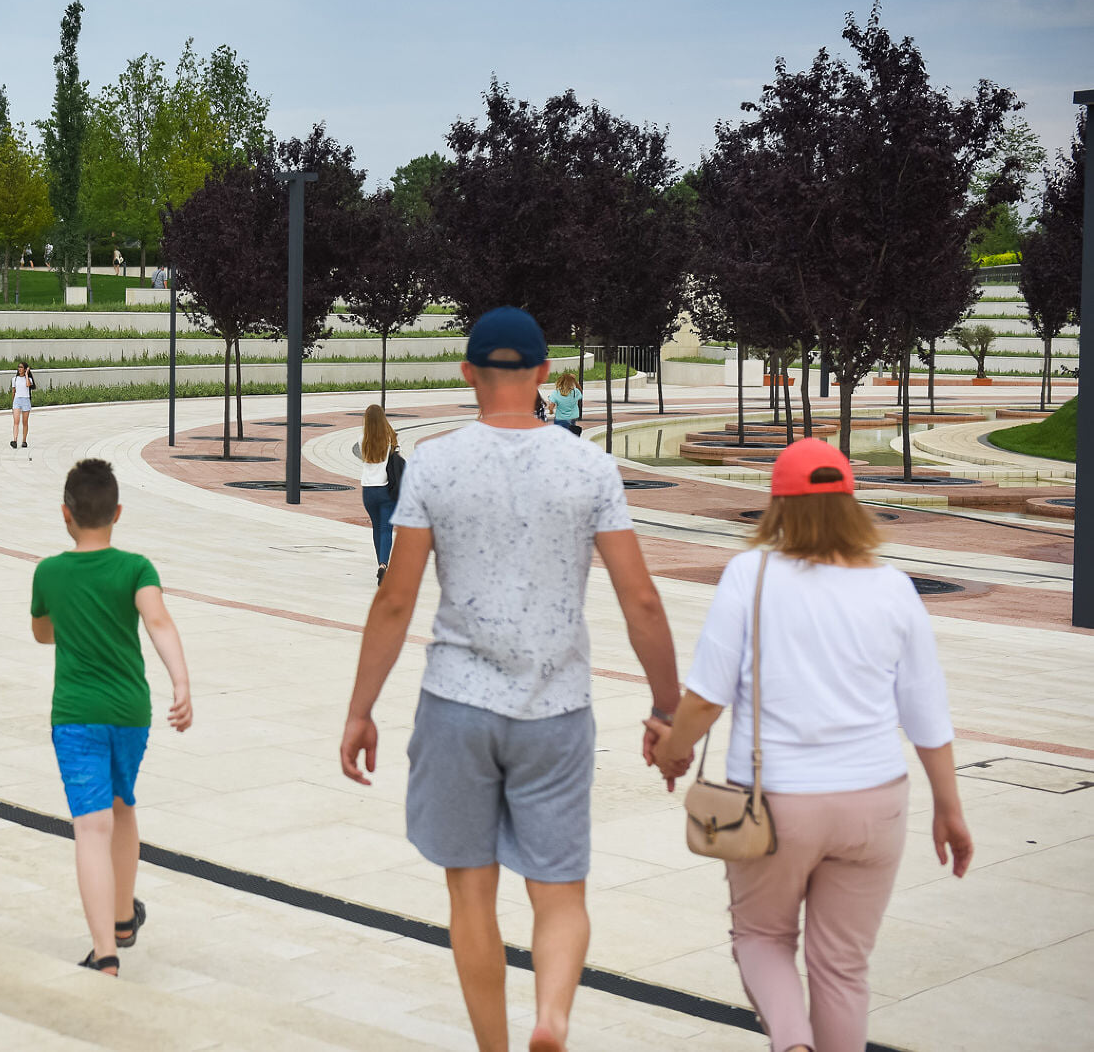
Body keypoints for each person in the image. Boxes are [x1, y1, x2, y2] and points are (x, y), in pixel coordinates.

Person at [338, 306, 682, 1052]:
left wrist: (360, 709)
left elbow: (396, 598)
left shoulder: (433, 462)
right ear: (544, 376)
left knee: (470, 893)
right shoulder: (589, 465)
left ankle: (495, 1047)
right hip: (556, 710)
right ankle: (552, 1018)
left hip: (457, 704)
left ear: (468, 374)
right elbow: (641, 599)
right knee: (559, 894)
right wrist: (668, 709)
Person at [650, 438, 972, 1052]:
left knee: (762, 939)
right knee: (844, 969)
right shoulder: (894, 588)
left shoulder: (753, 574)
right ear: (852, 505)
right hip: (875, 806)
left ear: (778, 507)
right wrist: (950, 810)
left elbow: (706, 697)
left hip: (777, 804)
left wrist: (673, 751)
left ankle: (792, 1043)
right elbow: (927, 716)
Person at [31, 458, 193, 976]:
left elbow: (42, 632)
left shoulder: (50, 573)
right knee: (122, 807)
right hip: (131, 711)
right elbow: (158, 620)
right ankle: (124, 919)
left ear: (65, 514)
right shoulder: (136, 568)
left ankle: (104, 952)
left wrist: (73, 623)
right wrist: (182, 682)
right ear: (117, 512)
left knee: (91, 828)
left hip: (76, 714)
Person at [357, 404, 402, 586]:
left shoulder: (362, 440)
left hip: (368, 491)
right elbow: (397, 458)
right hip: (385, 491)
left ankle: (380, 565)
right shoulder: (390, 440)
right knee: (386, 529)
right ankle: (384, 565)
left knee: (376, 528)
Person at [547, 371, 583, 436]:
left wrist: (551, 411)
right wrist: (574, 380)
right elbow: (580, 391)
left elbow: (551, 406)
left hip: (560, 418)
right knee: (571, 434)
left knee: (559, 436)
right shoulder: (575, 392)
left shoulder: (556, 393)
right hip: (572, 417)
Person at [10, 361, 36, 449]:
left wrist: (27, 374)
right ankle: (15, 440)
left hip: (25, 400)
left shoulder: (28, 379)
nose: (19, 369)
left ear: (25, 369)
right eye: (19, 367)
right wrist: (13, 403)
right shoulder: (15, 379)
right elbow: (13, 391)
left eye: (21, 367)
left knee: (25, 422)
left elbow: (28, 385)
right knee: (16, 421)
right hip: (17, 400)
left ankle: (24, 440)